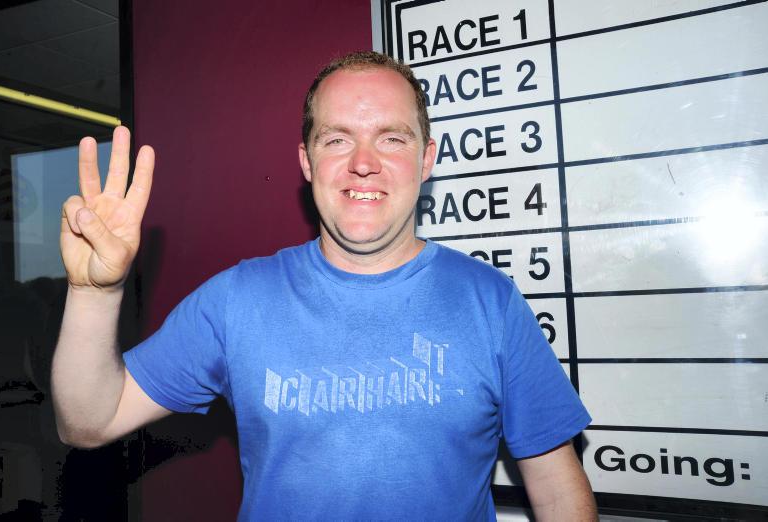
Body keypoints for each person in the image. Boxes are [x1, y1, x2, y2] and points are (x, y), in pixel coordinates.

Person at [53, 51, 597, 520]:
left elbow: (556, 489)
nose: (363, 164)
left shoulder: (490, 302)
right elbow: (89, 421)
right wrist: (94, 293)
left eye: (391, 138)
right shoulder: (237, 300)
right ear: (307, 161)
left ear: (426, 159)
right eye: (337, 139)